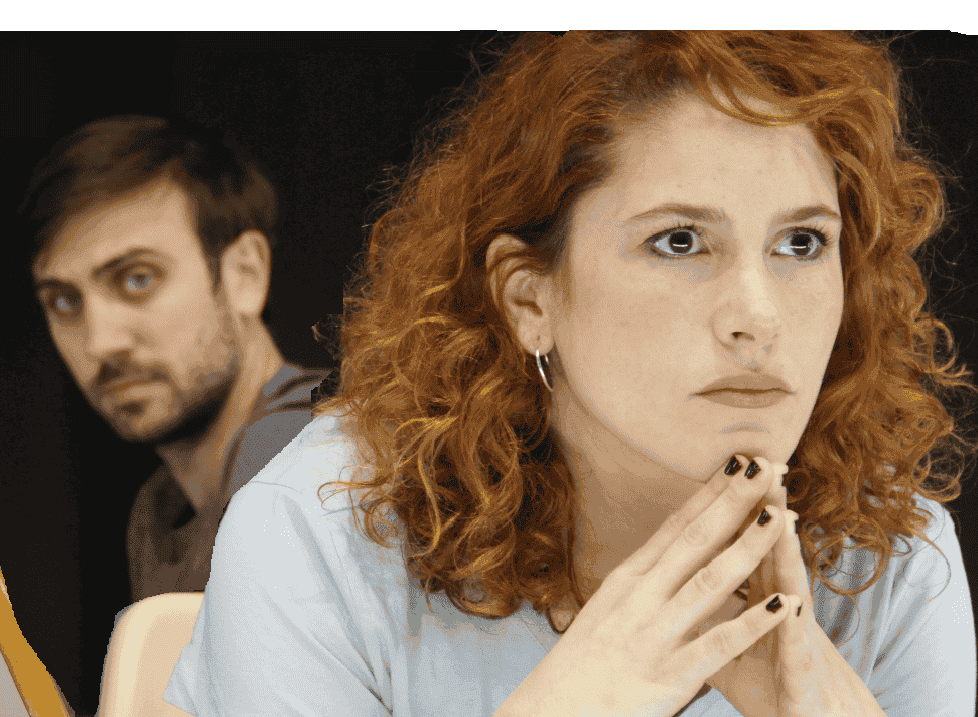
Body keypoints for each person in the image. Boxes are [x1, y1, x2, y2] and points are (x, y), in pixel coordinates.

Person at [165, 32, 976, 717]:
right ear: (530, 300)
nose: (759, 317)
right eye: (679, 241)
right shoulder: (317, 538)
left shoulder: (895, 557)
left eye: (802, 242)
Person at [20, 116, 331, 602]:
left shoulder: (312, 455)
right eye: (64, 302)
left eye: (137, 279)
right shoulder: (159, 511)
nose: (100, 342)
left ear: (245, 274)